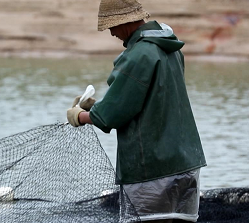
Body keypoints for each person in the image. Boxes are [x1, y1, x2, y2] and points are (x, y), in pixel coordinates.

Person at [66, 0, 207, 222]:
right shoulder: (170, 49)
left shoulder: (139, 55)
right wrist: (97, 106)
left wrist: (79, 116)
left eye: (111, 26)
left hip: (152, 171)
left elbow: (110, 116)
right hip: (186, 165)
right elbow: (150, 101)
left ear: (125, 22)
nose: (112, 33)